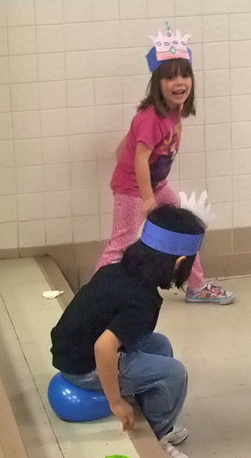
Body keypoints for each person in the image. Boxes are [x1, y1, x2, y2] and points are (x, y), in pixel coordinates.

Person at [51, 204, 208, 458]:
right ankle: (158, 437)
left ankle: (152, 412)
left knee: (160, 344)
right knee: (174, 373)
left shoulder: (116, 271)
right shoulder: (141, 299)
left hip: (72, 350)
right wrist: (116, 402)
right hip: (83, 368)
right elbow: (104, 347)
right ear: (179, 263)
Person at [95, 25, 235, 305]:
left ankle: (196, 286)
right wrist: (147, 198)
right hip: (134, 189)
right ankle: (94, 295)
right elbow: (140, 159)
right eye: (170, 77)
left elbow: (127, 147)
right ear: (157, 83)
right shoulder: (151, 118)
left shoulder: (174, 110)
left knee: (186, 228)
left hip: (156, 185)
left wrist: (126, 153)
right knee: (122, 242)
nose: (179, 82)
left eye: (184, 75)